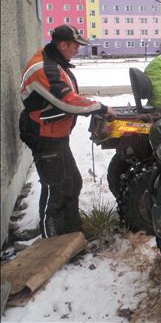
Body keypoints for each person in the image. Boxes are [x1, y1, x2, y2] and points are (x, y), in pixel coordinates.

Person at [19, 24, 114, 238]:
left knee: (72, 182)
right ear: (62, 44)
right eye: (75, 46)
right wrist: (99, 107)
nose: (77, 50)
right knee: (57, 187)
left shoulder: (54, 62)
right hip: (43, 135)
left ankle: (71, 234)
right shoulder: (44, 67)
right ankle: (52, 240)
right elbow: (66, 101)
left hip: (55, 134)